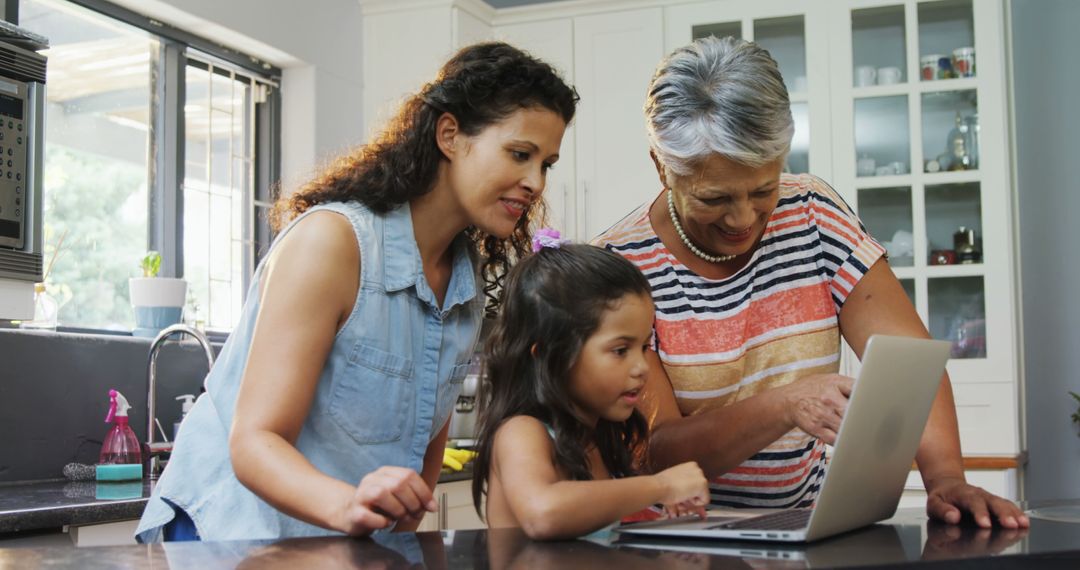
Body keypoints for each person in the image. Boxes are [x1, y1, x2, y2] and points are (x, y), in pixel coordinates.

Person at [134, 41, 578, 542]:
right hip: (226, 536)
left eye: (547, 164)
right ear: (450, 135)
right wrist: (349, 505)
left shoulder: (464, 281)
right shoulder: (332, 243)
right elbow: (255, 442)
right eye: (520, 154)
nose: (535, 181)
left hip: (331, 544)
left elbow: (425, 446)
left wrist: (397, 521)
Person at [594, 36, 1028, 529]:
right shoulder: (617, 268)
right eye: (715, 198)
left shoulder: (812, 214)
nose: (742, 219)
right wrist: (784, 405)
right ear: (661, 166)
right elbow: (655, 449)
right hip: (676, 531)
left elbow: (908, 363)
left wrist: (946, 478)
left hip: (806, 517)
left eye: (763, 190)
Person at [472, 233, 710, 540]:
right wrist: (662, 486)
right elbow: (543, 513)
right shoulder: (522, 432)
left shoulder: (599, 439)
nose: (641, 368)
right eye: (620, 350)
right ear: (549, 355)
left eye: (645, 347)